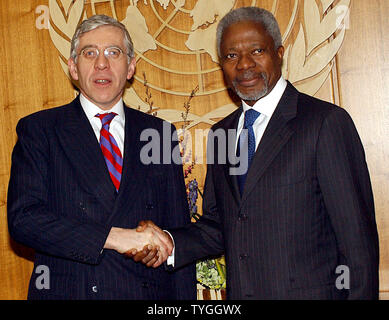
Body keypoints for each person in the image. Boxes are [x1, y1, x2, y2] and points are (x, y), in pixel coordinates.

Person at [133, 7, 379, 299]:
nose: (244, 65)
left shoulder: (324, 123)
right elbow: (220, 226)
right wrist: (169, 242)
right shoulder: (220, 134)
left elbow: (358, 246)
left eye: (257, 51)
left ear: (279, 53)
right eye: (231, 55)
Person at [7, 14, 195, 300]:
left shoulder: (159, 133)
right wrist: (115, 237)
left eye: (113, 52)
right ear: (73, 67)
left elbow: (178, 236)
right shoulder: (40, 130)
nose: (102, 63)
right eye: (89, 53)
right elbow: (25, 221)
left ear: (130, 67)